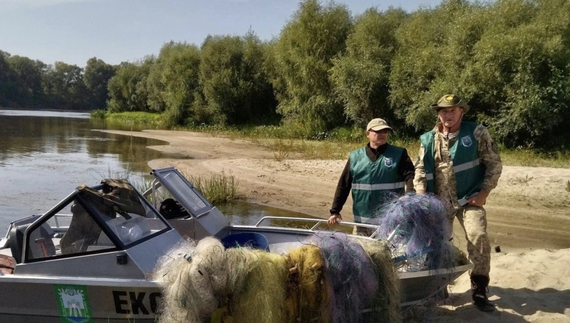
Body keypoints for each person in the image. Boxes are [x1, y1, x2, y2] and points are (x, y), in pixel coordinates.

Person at [413, 94, 502, 312]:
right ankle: (438, 288)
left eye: (453, 110)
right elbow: (421, 168)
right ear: (438, 114)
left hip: (469, 198)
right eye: (444, 111)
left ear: (462, 111)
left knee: (478, 236)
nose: (448, 114)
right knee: (436, 244)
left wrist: (484, 193)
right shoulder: (428, 138)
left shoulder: (476, 132)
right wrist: (421, 191)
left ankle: (479, 288)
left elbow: (494, 164)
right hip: (439, 202)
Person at [328, 118, 415, 235]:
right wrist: (335, 211)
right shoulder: (355, 157)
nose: (382, 134)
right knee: (361, 252)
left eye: (385, 131)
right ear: (368, 133)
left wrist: (409, 196)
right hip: (362, 223)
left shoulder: (399, 154)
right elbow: (344, 185)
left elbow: (411, 176)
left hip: (389, 222)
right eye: (378, 131)